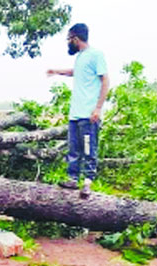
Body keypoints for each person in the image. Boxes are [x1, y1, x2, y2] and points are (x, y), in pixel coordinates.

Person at [47, 23, 109, 198]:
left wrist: (98, 108)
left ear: (75, 38)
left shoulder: (96, 55)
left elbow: (105, 80)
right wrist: (56, 71)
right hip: (75, 115)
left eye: (69, 39)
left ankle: (88, 182)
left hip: (89, 115)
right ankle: (72, 179)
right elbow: (76, 72)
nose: (68, 43)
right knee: (73, 149)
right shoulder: (80, 57)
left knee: (89, 149)